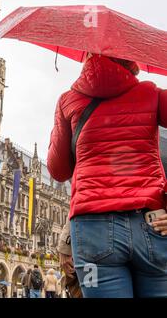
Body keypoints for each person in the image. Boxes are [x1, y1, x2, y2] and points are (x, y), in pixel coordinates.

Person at [48, 53, 167, 298]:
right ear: (131, 58)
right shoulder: (152, 94)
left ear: (88, 58)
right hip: (153, 224)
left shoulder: (68, 101)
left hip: (92, 232)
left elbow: (58, 171)